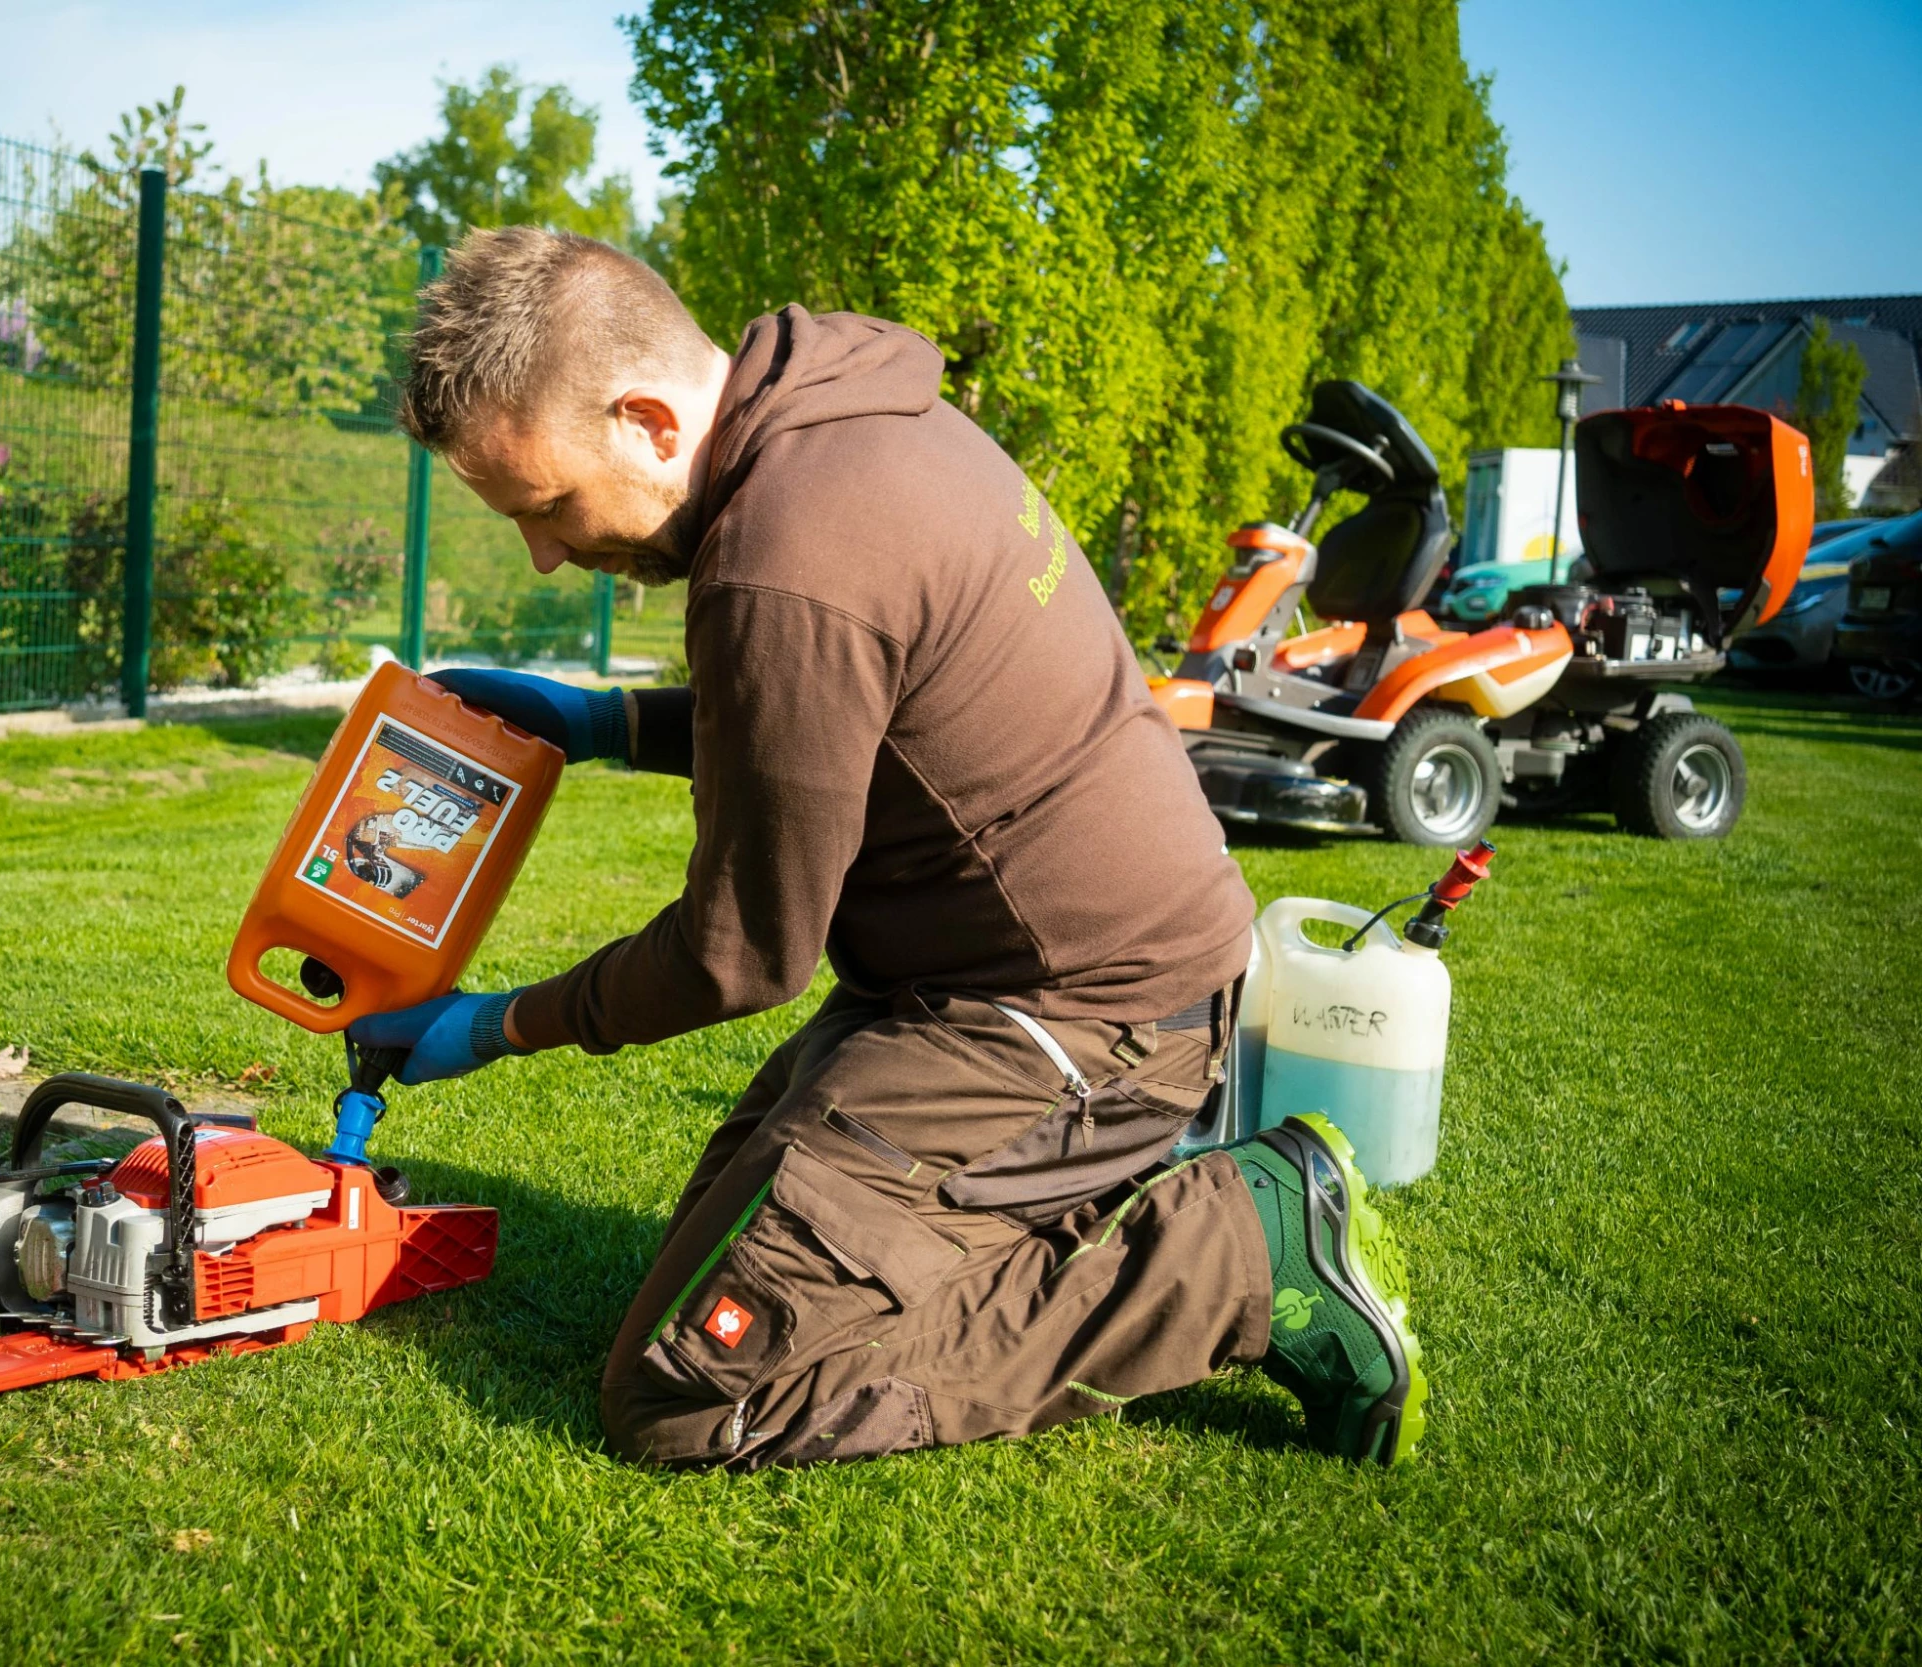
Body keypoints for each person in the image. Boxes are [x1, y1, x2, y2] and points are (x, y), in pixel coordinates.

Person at [350, 227, 1426, 1469]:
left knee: (689, 1389)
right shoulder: (846, 414)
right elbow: (822, 719)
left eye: (545, 506)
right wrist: (603, 722)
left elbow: (736, 956)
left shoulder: (786, 556)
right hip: (1011, 980)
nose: (547, 550)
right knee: (713, 1258)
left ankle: (1236, 1250)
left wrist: (498, 1024)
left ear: (648, 420)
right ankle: (1048, 1202)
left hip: (1084, 1015)